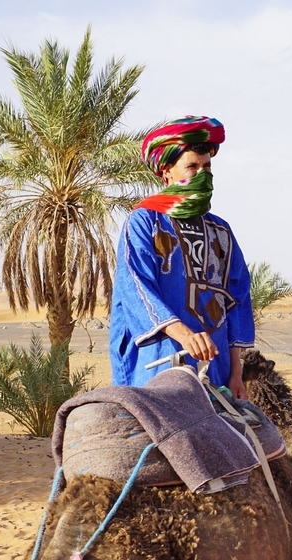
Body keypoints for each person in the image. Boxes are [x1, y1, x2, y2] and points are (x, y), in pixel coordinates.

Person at [109, 116, 254, 398]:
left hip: (217, 369)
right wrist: (185, 336)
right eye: (192, 167)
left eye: (207, 167)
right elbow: (137, 289)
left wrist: (237, 373)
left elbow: (237, 301)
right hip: (159, 364)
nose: (202, 174)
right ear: (167, 172)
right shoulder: (144, 222)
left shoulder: (221, 231)